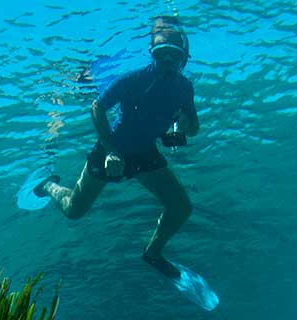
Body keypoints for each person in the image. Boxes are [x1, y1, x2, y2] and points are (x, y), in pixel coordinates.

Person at [28, 20, 199, 280]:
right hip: (113, 150)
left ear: (183, 57)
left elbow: (194, 127)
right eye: (160, 53)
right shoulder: (135, 78)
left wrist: (187, 124)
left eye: (173, 54)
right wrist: (110, 150)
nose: (167, 60)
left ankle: (153, 253)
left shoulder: (185, 87)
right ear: (151, 53)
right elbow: (97, 106)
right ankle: (49, 185)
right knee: (75, 210)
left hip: (144, 153)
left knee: (181, 207)